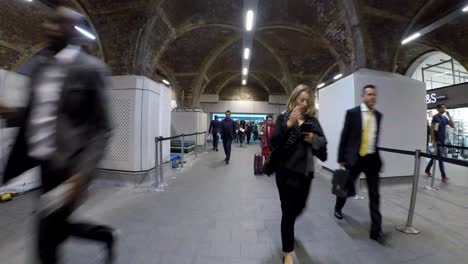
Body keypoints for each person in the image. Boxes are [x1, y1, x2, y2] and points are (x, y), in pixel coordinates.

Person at [0, 6, 116, 264]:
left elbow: (103, 128)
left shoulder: (91, 69)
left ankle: (99, 236)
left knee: (47, 235)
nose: (49, 28)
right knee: (55, 226)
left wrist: (81, 176)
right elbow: (36, 115)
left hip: (70, 168)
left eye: (59, 23)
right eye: (49, 23)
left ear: (73, 31)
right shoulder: (40, 69)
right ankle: (103, 235)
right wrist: (9, 112)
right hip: (43, 164)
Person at [271, 84, 327, 264]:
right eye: (300, 100)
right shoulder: (283, 118)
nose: (303, 104)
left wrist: (312, 138)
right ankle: (288, 251)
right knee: (287, 212)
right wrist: (288, 125)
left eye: (307, 101)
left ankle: (289, 226)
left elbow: (323, 145)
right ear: (293, 99)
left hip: (305, 173)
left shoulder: (312, 121)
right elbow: (275, 142)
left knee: (299, 208)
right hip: (285, 173)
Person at [335, 84, 386, 244]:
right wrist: (341, 158)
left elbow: (375, 138)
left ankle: (376, 230)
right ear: (363, 96)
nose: (372, 97)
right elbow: (344, 136)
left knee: (375, 195)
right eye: (369, 94)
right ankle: (338, 207)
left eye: (374, 95)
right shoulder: (352, 113)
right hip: (354, 158)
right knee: (345, 187)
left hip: (371, 159)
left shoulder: (378, 115)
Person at [425, 104, 454, 182]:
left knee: (436, 156)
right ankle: (443, 176)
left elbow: (452, 125)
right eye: (442, 107)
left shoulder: (444, 118)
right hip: (437, 141)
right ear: (438, 109)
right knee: (440, 158)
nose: (444, 109)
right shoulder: (435, 117)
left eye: (444, 107)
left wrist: (449, 116)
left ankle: (427, 170)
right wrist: (433, 140)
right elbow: (432, 129)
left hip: (443, 141)